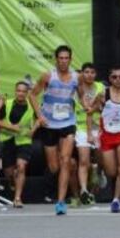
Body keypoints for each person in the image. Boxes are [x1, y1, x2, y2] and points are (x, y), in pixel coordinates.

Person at [29, 45, 83, 216]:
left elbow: (80, 96)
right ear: (56, 60)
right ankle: (65, 184)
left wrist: (87, 104)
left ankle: (60, 202)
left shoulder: (76, 77)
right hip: (50, 124)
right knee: (54, 166)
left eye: (66, 58)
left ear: (70, 60)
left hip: (68, 123)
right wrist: (40, 116)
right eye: (61, 58)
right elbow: (32, 95)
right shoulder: (48, 76)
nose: (64, 61)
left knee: (66, 159)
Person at [0, 81, 36, 208]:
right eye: (19, 91)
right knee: (9, 173)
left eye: (24, 91)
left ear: (27, 93)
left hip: (23, 141)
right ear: (15, 91)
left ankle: (17, 198)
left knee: (21, 166)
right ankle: (12, 181)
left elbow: (40, 119)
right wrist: (11, 127)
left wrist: (33, 130)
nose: (21, 94)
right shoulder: (7, 104)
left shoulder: (32, 106)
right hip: (7, 140)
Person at [99, 66, 120, 213]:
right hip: (107, 135)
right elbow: (90, 111)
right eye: (114, 77)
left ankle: (116, 200)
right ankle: (100, 169)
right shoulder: (103, 94)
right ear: (110, 79)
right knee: (112, 172)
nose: (118, 80)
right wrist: (90, 131)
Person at [74, 63, 103, 206]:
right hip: (81, 127)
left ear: (95, 74)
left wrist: (95, 106)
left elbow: (102, 105)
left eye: (92, 72)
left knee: (98, 162)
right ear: (82, 74)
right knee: (83, 160)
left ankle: (93, 188)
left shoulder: (100, 87)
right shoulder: (76, 88)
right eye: (86, 72)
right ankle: (84, 191)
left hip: (98, 128)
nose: (89, 75)